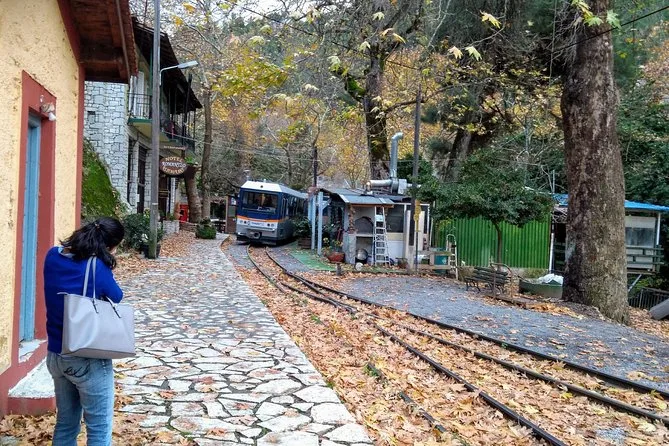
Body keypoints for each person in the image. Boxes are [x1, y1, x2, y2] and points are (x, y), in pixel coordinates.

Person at [43, 217, 125, 446]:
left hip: (56, 355)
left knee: (66, 424)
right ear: (109, 245)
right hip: (86, 356)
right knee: (98, 429)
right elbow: (117, 296)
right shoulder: (96, 267)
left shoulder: (52, 255)